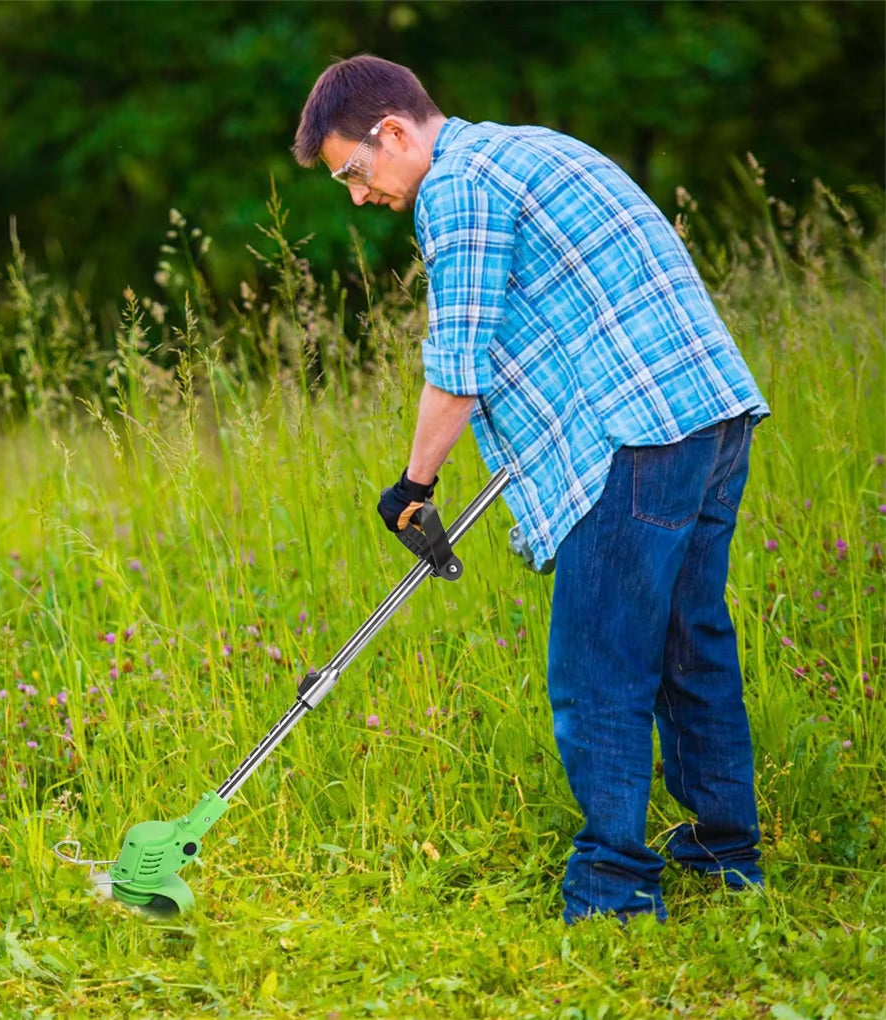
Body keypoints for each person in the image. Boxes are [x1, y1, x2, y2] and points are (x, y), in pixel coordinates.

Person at [293, 55, 768, 923]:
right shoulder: (524, 148)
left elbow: (459, 363)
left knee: (597, 669)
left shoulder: (459, 187)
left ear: (392, 132)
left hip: (642, 431)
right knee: (688, 641)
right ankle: (724, 856)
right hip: (708, 410)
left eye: (354, 174)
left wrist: (412, 483)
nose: (358, 197)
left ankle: (615, 890)